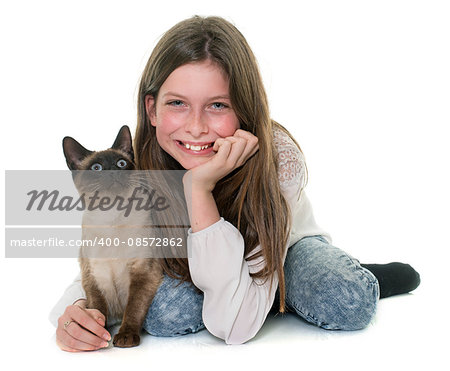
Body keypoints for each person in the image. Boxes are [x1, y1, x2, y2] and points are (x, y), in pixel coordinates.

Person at [50, 15, 420, 351]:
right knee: (162, 314)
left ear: (243, 108)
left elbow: (235, 331)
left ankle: (303, 286)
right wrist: (76, 309)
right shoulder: (137, 166)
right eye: (177, 103)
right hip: (203, 260)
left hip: (282, 248)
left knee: (342, 298)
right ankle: (264, 298)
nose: (195, 127)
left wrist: (198, 189)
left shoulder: (277, 160)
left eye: (218, 105)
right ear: (152, 109)